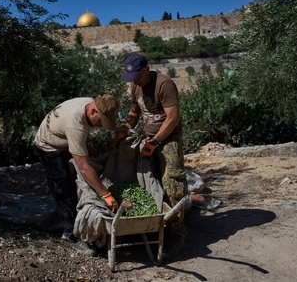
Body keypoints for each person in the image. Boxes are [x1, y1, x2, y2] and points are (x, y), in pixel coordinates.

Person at [117, 53, 188, 256]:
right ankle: (155, 225)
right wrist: (125, 129)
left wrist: (155, 142)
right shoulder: (136, 84)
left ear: (147, 69)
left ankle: (177, 234)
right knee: (151, 181)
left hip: (167, 138)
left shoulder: (164, 84)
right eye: (132, 78)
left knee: (173, 184)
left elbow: (173, 118)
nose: (135, 81)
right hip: (149, 138)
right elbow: (134, 111)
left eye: (138, 76)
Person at [34, 94, 119, 256]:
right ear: (94, 111)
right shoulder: (76, 125)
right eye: (101, 121)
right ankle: (70, 234)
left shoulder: (89, 104)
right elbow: (85, 168)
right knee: (62, 189)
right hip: (49, 147)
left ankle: (75, 217)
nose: (101, 126)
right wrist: (106, 195)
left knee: (74, 182)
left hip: (63, 141)